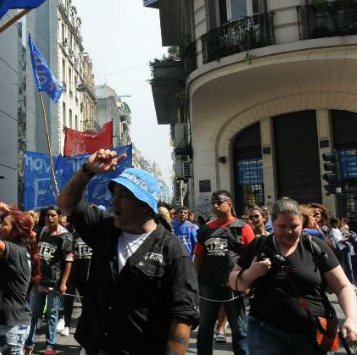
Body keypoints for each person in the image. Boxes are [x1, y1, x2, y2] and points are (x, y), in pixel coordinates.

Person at [57, 149, 199, 354]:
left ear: (144, 206)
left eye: (123, 196)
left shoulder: (172, 251)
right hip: (94, 347)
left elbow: (183, 316)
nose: (114, 201)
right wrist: (87, 171)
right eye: (114, 194)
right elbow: (67, 204)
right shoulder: (104, 229)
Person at [229, 197, 357, 354]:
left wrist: (352, 318)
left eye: (294, 226)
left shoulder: (315, 246)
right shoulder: (258, 245)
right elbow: (235, 282)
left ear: (302, 223)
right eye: (282, 226)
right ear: (272, 223)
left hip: (312, 332)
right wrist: (251, 273)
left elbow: (343, 286)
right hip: (265, 331)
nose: (289, 231)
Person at [194, 190, 255, 355]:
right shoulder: (205, 229)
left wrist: (248, 283)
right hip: (208, 285)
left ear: (230, 204)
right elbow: (199, 256)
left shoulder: (243, 228)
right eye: (213, 202)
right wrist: (195, 282)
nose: (215, 205)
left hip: (233, 285)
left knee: (239, 329)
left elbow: (252, 257)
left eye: (219, 202)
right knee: (205, 328)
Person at [0, 194, 40, 354]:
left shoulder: (16, 252)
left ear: (16, 231)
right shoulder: (11, 250)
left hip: (11, 326)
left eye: (4, 224)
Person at [23, 206, 72, 355]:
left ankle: (51, 345)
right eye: (47, 216)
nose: (49, 218)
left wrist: (63, 283)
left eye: (52, 216)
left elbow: (69, 260)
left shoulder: (65, 236)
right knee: (33, 313)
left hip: (54, 282)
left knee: (52, 314)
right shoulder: (41, 232)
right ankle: (29, 343)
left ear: (59, 217)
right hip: (38, 280)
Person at [59, 220, 91, 337]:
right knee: (68, 301)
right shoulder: (72, 236)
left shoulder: (93, 236)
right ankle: (67, 325)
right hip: (72, 275)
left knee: (87, 303)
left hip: (87, 276)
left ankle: (85, 326)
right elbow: (67, 257)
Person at [329, 217, 353, 283]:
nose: (339, 223)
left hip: (346, 248)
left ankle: (351, 281)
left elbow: (343, 236)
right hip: (340, 250)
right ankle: (343, 281)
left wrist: (346, 233)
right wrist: (349, 238)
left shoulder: (338, 229)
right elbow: (340, 240)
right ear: (334, 223)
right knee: (342, 266)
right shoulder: (332, 231)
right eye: (338, 222)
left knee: (349, 265)